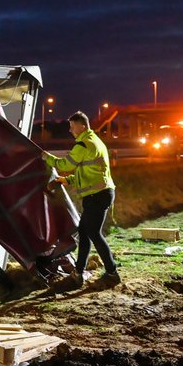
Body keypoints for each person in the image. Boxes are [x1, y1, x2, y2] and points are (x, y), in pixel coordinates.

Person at [42, 111, 120, 288]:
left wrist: (47, 158)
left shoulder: (84, 145)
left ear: (82, 126)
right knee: (86, 233)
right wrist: (66, 180)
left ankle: (111, 272)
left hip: (97, 196)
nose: (70, 130)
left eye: (72, 126)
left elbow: (65, 165)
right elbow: (84, 171)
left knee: (92, 233)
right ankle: (79, 273)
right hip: (100, 194)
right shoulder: (95, 141)